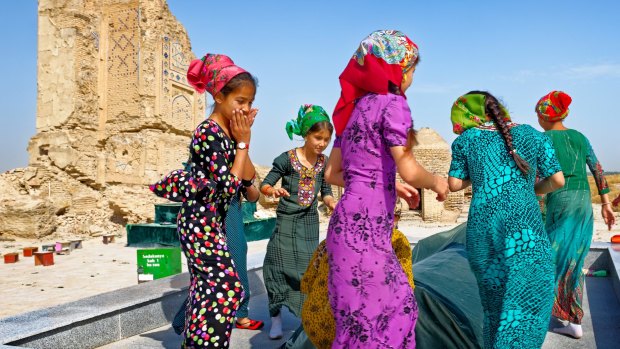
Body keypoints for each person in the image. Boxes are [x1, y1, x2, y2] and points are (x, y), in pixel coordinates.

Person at [324, 29, 449, 348]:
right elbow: (408, 166)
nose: (411, 78)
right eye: (411, 70)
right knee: (394, 316)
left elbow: (333, 173)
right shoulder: (393, 103)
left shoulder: (352, 112)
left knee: (358, 326)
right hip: (366, 234)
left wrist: (387, 182)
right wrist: (436, 181)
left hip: (345, 230)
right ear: (397, 69)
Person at [150, 53, 257, 348]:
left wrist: (243, 140)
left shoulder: (230, 134)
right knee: (225, 286)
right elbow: (229, 185)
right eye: (240, 101)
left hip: (213, 223)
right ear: (219, 96)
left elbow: (250, 186)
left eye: (249, 102)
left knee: (213, 288)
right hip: (199, 223)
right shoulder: (207, 132)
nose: (245, 108)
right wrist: (243, 143)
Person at [448, 91, 565, 348]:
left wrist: (481, 178)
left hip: (485, 229)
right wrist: (526, 190)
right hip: (526, 228)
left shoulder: (466, 140)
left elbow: (454, 184)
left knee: (494, 306)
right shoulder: (534, 135)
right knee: (528, 298)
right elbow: (558, 180)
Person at [535, 90, 616, 339]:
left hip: (560, 200)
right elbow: (597, 168)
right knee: (574, 259)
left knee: (550, 257)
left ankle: (548, 315)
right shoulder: (580, 137)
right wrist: (606, 203)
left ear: (544, 116)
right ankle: (572, 317)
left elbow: (538, 177)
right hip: (583, 203)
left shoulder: (543, 139)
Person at [260, 104, 337, 339]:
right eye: (317, 137)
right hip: (286, 222)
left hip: (308, 224)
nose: (322, 143)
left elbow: (325, 190)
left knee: (307, 271)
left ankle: (308, 316)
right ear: (305, 134)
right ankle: (275, 317)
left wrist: (331, 201)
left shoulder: (323, 163)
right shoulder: (287, 159)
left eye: (326, 139)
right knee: (276, 266)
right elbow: (266, 182)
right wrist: (272, 191)